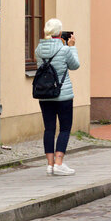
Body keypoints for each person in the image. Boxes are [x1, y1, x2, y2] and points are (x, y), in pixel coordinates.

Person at [34, 18, 80, 176]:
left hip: (45, 95)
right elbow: (75, 65)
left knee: (49, 129)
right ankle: (59, 163)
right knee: (65, 128)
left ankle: (50, 164)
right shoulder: (64, 50)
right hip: (63, 94)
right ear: (60, 33)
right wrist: (71, 47)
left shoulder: (38, 49)